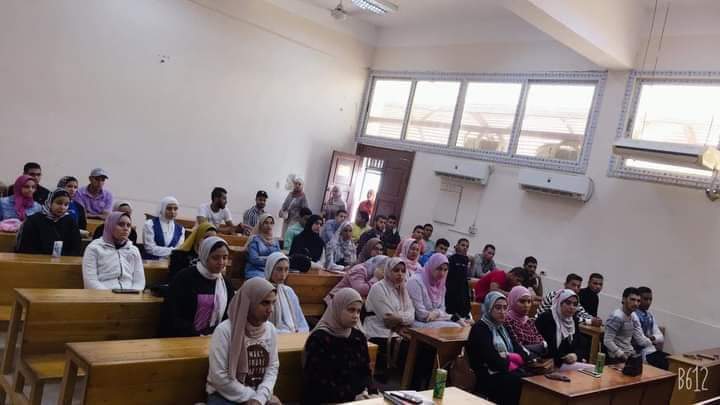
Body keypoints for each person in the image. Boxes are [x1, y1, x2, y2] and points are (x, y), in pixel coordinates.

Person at [206, 277, 281, 405]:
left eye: (273, 303)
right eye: (265, 303)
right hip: (225, 395)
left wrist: (261, 396)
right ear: (249, 303)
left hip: (258, 395)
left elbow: (272, 367)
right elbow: (219, 376)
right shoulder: (225, 331)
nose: (271, 309)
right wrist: (254, 398)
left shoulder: (270, 330)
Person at [303, 288, 374, 404]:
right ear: (338, 309)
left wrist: (369, 391)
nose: (356, 316)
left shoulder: (358, 337)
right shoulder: (319, 338)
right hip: (327, 400)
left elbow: (365, 371)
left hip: (358, 398)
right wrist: (352, 397)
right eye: (351, 310)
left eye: (358, 311)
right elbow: (318, 382)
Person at [161, 237, 235, 337]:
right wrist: (197, 335)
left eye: (225, 257)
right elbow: (172, 314)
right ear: (204, 256)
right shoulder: (184, 278)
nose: (221, 262)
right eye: (215, 258)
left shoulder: (226, 284)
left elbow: (228, 315)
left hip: (214, 337)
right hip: (183, 337)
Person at [466, 291, 526, 405]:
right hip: (486, 376)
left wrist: (508, 357)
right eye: (498, 308)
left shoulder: (503, 327)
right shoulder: (480, 328)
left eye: (505, 308)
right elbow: (493, 361)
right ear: (489, 308)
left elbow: (521, 353)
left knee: (528, 379)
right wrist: (514, 360)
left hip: (504, 371)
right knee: (517, 381)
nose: (502, 312)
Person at [363, 258, 414, 377]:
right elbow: (387, 318)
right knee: (408, 347)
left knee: (419, 345)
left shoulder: (402, 289)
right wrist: (404, 317)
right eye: (396, 270)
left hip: (398, 330)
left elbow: (412, 315)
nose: (400, 274)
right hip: (378, 330)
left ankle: (410, 379)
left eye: (403, 271)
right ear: (388, 271)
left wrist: (400, 318)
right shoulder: (378, 288)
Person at [604, 287, 665, 369]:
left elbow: (641, 339)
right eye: (632, 299)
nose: (636, 303)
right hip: (616, 357)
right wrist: (622, 355)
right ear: (624, 299)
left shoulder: (633, 316)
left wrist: (652, 342)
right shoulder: (617, 316)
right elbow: (607, 341)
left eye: (638, 301)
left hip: (630, 354)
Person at [82, 212, 145, 290]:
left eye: (128, 225)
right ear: (110, 226)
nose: (126, 228)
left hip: (130, 293)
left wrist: (133, 293)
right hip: (103, 293)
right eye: (121, 224)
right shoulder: (94, 248)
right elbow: (90, 281)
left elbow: (139, 281)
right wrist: (108, 295)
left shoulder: (133, 250)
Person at [16, 188, 82, 256]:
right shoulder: (33, 221)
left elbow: (76, 248)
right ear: (49, 202)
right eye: (59, 203)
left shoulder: (70, 221)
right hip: (36, 260)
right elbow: (25, 248)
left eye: (66, 204)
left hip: (64, 260)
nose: (62, 207)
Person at [536, 289, 590, 370]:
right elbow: (542, 347)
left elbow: (580, 345)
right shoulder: (546, 318)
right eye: (568, 303)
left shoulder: (573, 320)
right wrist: (563, 358)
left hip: (566, 363)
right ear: (559, 303)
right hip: (548, 364)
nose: (571, 307)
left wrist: (575, 355)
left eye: (575, 304)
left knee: (592, 371)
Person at [407, 253, 464, 328]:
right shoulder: (415, 282)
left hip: (436, 320)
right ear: (432, 266)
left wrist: (436, 313)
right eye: (439, 269)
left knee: (463, 324)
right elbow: (421, 315)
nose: (442, 273)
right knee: (456, 326)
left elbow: (442, 309)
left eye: (445, 270)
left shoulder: (441, 284)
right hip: (418, 322)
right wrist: (447, 316)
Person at [264, 252, 309, 334]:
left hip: (293, 334)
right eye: (279, 269)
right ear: (270, 269)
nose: (283, 274)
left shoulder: (289, 291)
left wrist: (299, 332)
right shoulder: (262, 292)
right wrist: (286, 333)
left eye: (286, 269)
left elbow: (301, 321)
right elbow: (262, 327)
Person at [536, 274, 601, 326]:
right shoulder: (556, 295)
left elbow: (582, 313)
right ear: (565, 284)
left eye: (578, 286)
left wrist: (593, 319)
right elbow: (565, 318)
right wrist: (590, 321)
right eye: (573, 285)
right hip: (541, 326)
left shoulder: (574, 300)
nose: (576, 288)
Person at [635, 286, 669, 369]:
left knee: (672, 360)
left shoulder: (650, 316)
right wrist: (653, 340)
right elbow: (641, 341)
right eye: (645, 299)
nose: (648, 302)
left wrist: (651, 338)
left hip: (652, 351)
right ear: (638, 299)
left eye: (650, 299)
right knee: (668, 364)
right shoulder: (634, 315)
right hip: (643, 353)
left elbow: (661, 337)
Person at [244, 214, 281, 280]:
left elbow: (278, 258)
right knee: (264, 280)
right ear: (261, 225)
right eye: (266, 223)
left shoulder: (275, 241)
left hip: (271, 271)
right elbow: (254, 259)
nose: (269, 226)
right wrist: (272, 260)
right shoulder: (255, 240)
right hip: (255, 270)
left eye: (271, 223)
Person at [445, 238, 472, 320]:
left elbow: (467, 275)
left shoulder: (466, 260)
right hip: (452, 288)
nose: (465, 247)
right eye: (463, 245)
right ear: (457, 246)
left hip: (463, 288)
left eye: (467, 246)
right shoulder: (451, 258)